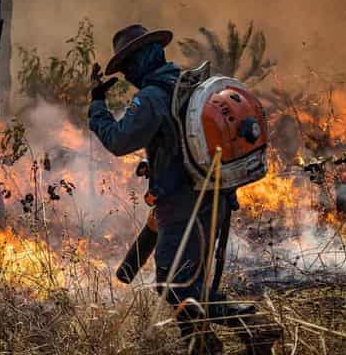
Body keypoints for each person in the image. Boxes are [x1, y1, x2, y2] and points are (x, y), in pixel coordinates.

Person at [88, 24, 280, 354]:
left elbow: (118, 141)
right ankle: (202, 346)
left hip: (183, 202)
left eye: (127, 67)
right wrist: (159, 160)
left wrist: (96, 106)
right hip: (214, 193)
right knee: (188, 281)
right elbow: (184, 137)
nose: (128, 75)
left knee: (170, 282)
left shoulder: (151, 97)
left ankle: (253, 325)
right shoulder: (185, 81)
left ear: (135, 63)